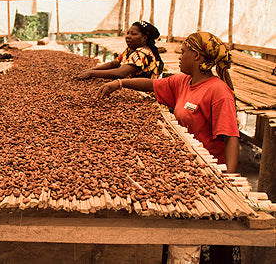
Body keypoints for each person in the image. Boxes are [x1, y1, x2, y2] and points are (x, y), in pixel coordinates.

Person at [98, 31, 240, 264]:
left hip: (206, 172)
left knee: (194, 239)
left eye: (183, 52)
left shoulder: (218, 91)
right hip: (183, 167)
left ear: (196, 55)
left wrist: (229, 181)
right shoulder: (184, 81)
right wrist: (119, 83)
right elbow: (152, 85)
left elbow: (231, 137)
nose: (179, 56)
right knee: (180, 232)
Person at [78, 20, 164, 79]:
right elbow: (113, 63)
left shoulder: (142, 54)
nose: (128, 36)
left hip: (143, 94)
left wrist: (92, 73)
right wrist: (92, 69)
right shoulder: (130, 50)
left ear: (144, 38)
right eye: (128, 33)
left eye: (133, 34)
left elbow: (120, 73)